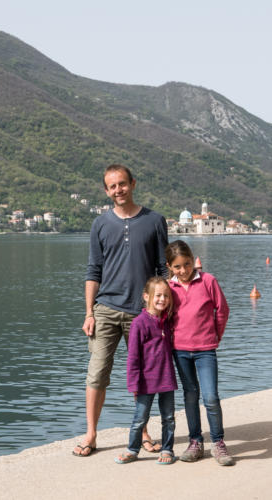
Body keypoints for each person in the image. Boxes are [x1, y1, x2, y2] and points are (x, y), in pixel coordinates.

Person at [73, 164, 168, 457]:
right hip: (105, 309)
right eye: (112, 186)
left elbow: (162, 268)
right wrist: (89, 313)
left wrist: (162, 310)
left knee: (142, 375)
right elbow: (93, 271)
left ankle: (142, 432)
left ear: (133, 183)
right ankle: (90, 434)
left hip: (143, 313)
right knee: (97, 373)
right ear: (106, 190)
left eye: (122, 184)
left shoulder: (154, 220)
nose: (118, 190)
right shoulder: (101, 224)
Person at [166, 240, 234, 466]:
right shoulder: (168, 288)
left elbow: (222, 310)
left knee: (211, 397)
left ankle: (218, 442)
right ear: (169, 267)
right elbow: (162, 317)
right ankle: (195, 442)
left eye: (186, 264)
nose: (183, 270)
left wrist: (216, 335)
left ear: (192, 259)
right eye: (177, 267)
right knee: (190, 396)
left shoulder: (208, 281)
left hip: (206, 350)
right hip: (180, 351)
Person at [114, 277, 177, 465]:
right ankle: (133, 449)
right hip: (145, 381)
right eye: (158, 295)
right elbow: (133, 357)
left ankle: (167, 449)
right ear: (146, 297)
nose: (162, 299)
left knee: (168, 418)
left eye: (166, 296)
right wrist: (133, 384)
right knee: (140, 418)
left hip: (166, 378)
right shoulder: (139, 323)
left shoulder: (167, 321)